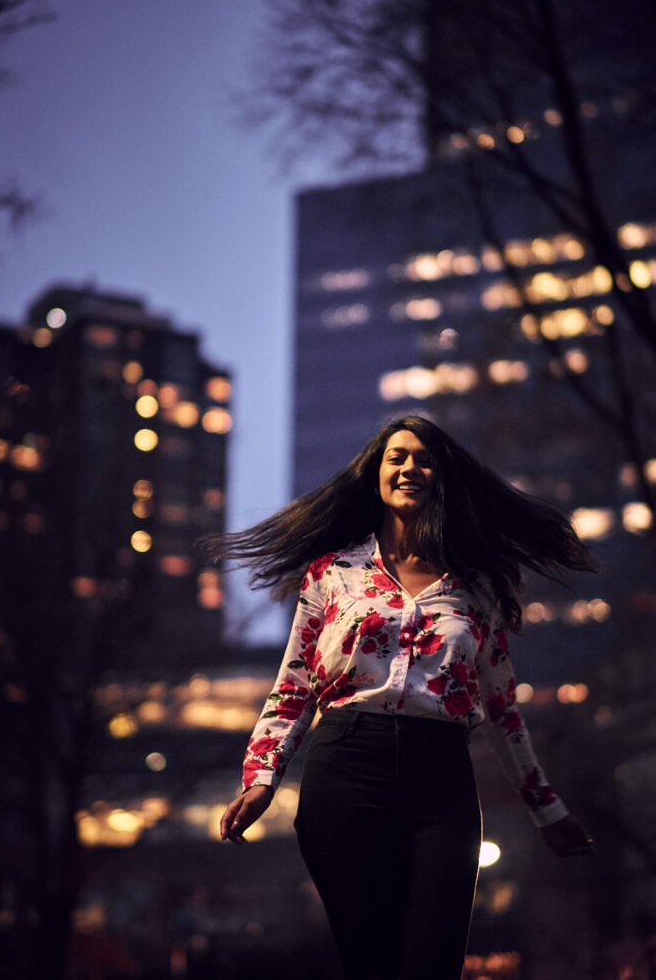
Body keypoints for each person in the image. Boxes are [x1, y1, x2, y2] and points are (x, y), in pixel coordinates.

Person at [213, 415, 595, 980]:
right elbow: (294, 686)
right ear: (376, 477)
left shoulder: (477, 588)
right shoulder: (332, 575)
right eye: (396, 457)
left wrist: (548, 809)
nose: (410, 467)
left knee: (432, 964)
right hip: (346, 770)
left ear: (441, 478)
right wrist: (262, 778)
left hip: (441, 782)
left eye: (423, 459)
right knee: (371, 963)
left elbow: (502, 711)